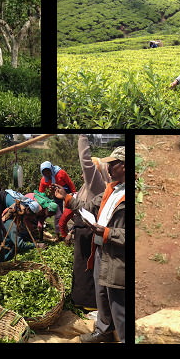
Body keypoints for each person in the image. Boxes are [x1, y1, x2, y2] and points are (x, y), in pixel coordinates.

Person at [55, 146, 126, 343]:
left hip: (116, 252)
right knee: (101, 292)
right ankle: (103, 330)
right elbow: (88, 206)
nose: (109, 168)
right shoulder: (111, 189)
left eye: (113, 164)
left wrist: (107, 232)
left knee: (117, 300)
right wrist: (67, 198)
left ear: (125, 166)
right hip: (101, 249)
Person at [57, 135, 111, 312]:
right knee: (80, 269)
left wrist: (82, 137)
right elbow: (80, 209)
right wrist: (72, 230)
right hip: (81, 231)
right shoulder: (85, 188)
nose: (82, 173)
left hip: (89, 233)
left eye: (87, 172)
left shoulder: (97, 185)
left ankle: (89, 303)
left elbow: (86, 163)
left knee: (87, 269)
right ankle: (80, 301)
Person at [38, 161, 76, 233]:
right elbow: (41, 193)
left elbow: (70, 183)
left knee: (71, 213)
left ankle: (76, 228)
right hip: (57, 197)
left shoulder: (60, 173)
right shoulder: (44, 180)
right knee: (59, 215)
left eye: (48, 171)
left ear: (51, 169)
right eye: (44, 172)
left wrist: (73, 193)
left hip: (68, 194)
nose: (47, 174)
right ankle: (61, 233)